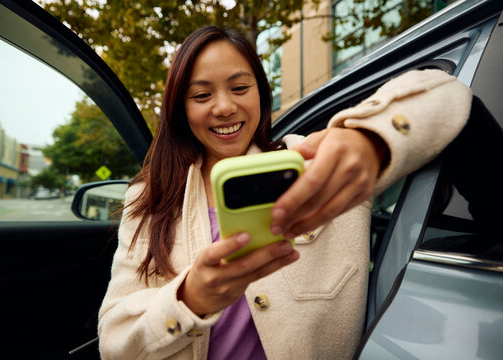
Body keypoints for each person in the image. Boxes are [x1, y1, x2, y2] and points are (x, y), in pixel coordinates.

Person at [98, 26, 472, 360]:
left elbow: (448, 94)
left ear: (262, 94)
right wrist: (190, 298)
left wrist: (371, 138)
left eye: (240, 88)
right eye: (201, 95)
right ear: (180, 108)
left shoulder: (315, 164)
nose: (225, 107)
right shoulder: (151, 197)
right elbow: (114, 342)